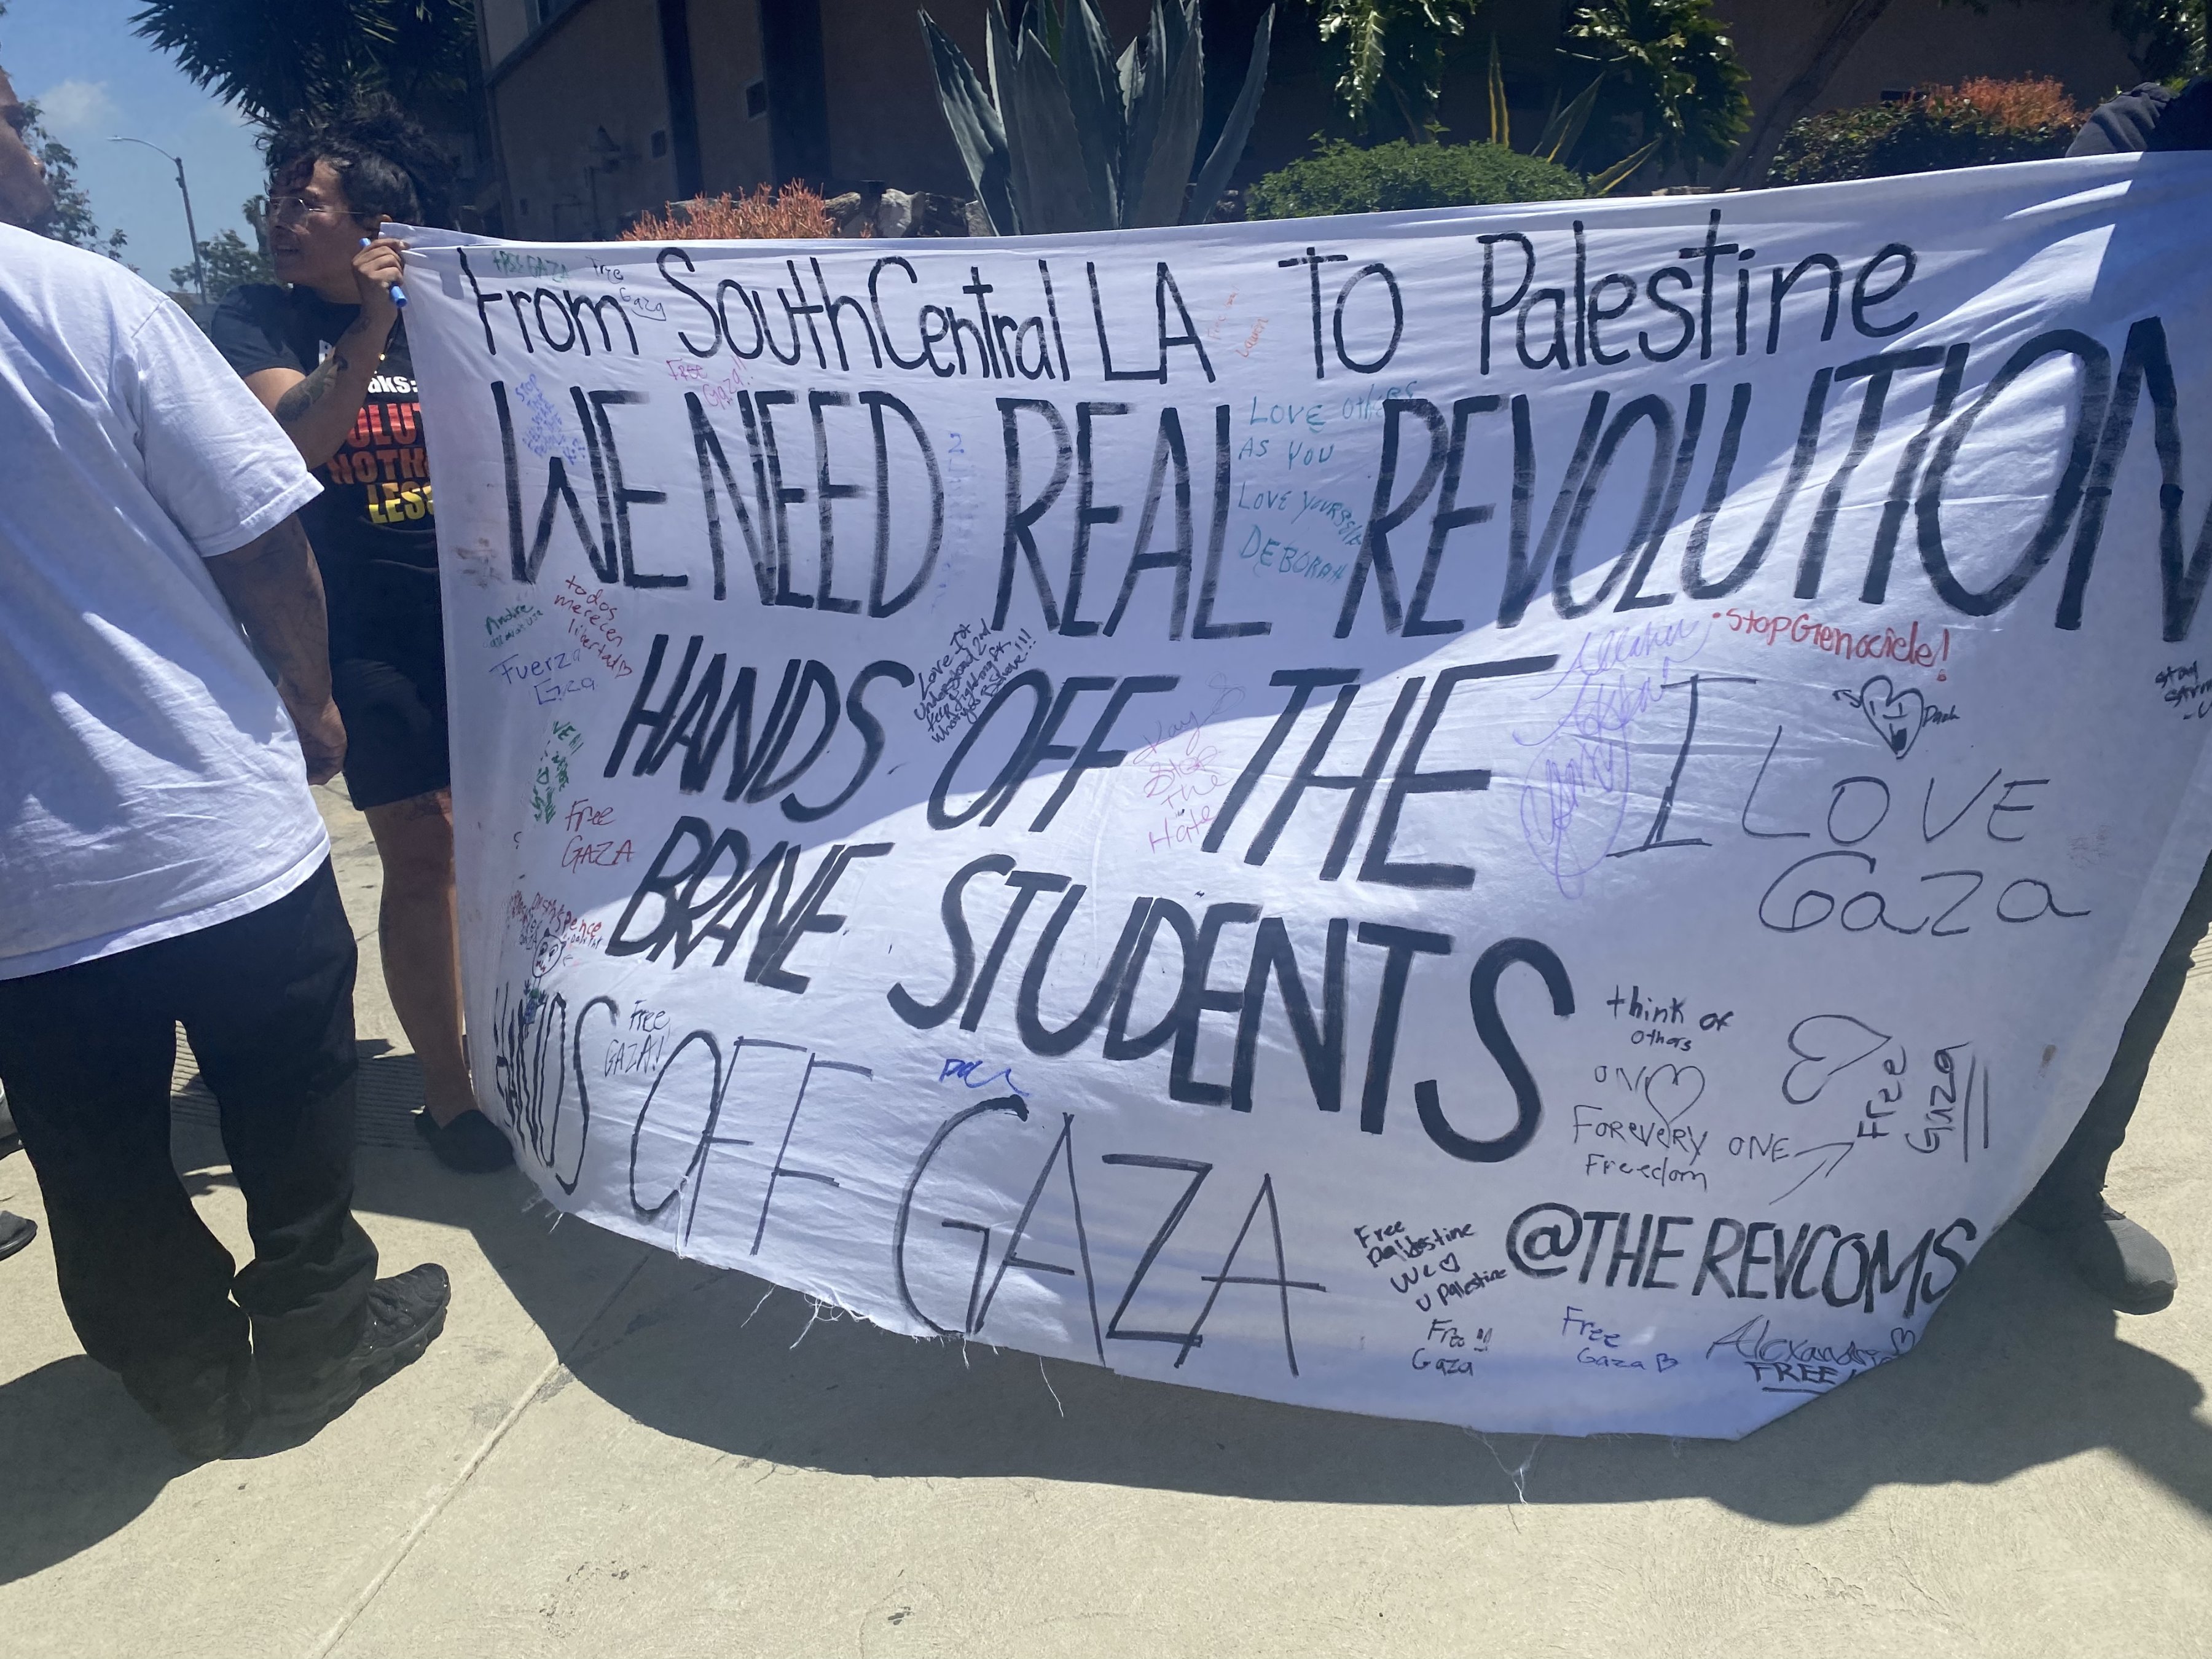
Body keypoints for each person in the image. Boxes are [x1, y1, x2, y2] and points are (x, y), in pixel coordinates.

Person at [0, 64, 447, 1458]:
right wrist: (311, 702)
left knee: (96, 1154)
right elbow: (262, 529)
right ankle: (317, 1333)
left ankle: (184, 1373)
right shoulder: (81, 299)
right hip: (202, 815)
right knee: (288, 1090)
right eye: (14, 116)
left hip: (24, 889)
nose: (32, 142)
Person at [209, 98, 510, 1174]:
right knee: (422, 848)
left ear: (377, 221)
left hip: (489, 622)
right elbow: (302, 448)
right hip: (364, 629)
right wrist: (370, 327)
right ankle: (450, 1093)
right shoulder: (252, 320)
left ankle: (523, 1045)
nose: (280, 217)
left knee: (508, 845)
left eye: (308, 200)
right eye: (275, 199)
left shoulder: (464, 310)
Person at [2009, 76, 2212, 1316]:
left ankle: (2066, 1183)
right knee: (2018, 891)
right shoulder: (2146, 143)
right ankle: (1909, 1175)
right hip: (2109, 612)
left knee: (2162, 923)